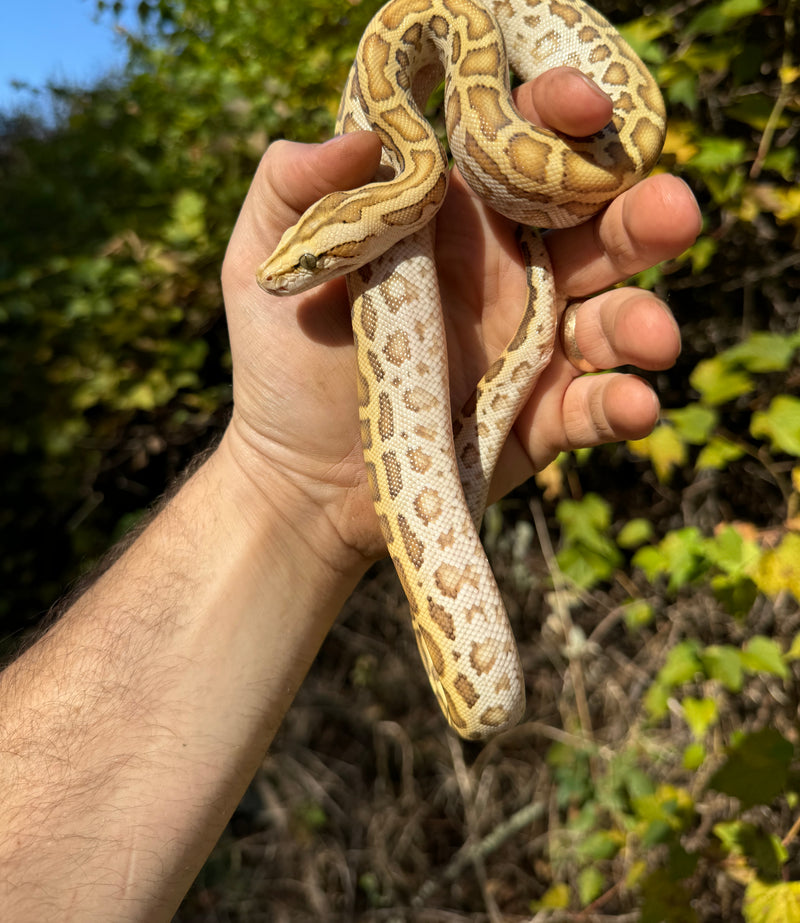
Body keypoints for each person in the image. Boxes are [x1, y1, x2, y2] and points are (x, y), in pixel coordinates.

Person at [0, 67, 700, 921]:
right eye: (315, 257)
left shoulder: (395, 162)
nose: (294, 274)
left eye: (321, 258)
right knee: (481, 704)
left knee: (486, 701)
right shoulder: (386, 183)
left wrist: (288, 496)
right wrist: (286, 482)